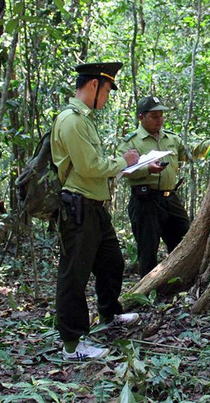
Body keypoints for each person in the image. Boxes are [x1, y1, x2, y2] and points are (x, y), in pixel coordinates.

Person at [50, 61, 141, 361]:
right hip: (78, 209)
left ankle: (110, 314)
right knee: (74, 276)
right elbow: (90, 167)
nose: (107, 98)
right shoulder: (72, 120)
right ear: (93, 85)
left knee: (112, 263)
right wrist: (124, 162)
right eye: (107, 91)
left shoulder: (84, 120)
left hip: (95, 208)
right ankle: (72, 345)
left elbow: (92, 163)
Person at [120, 96, 210, 277]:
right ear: (141, 117)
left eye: (161, 116)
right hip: (145, 201)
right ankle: (148, 294)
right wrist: (147, 169)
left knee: (184, 240)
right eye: (154, 116)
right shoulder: (131, 142)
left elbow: (193, 152)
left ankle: (180, 283)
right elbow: (123, 170)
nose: (160, 120)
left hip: (170, 199)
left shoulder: (171, 139)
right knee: (147, 249)